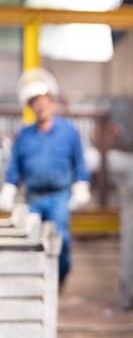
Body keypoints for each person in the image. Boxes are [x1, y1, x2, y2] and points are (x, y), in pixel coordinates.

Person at [0, 67, 91, 283]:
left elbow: (79, 162)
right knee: (30, 241)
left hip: (59, 197)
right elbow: (15, 167)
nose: (41, 107)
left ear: (52, 102)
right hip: (33, 198)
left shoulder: (68, 132)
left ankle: (58, 279)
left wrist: (81, 186)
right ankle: (36, 283)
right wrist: (9, 189)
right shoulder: (24, 136)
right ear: (30, 107)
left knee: (61, 241)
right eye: (35, 104)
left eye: (44, 102)